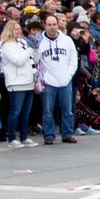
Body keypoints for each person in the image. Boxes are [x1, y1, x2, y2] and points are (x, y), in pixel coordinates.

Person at [37, 8, 79, 144]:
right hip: (48, 82)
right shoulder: (40, 42)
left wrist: (68, 75)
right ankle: (49, 134)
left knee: (68, 110)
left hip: (65, 81)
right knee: (47, 111)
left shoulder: (67, 40)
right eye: (49, 25)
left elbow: (74, 60)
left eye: (54, 24)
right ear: (45, 25)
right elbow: (36, 60)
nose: (52, 27)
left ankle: (67, 133)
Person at [0, 16, 37, 145]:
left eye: (19, 28)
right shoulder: (6, 46)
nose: (19, 31)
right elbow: (18, 61)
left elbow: (33, 60)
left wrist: (35, 48)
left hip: (28, 81)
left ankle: (24, 136)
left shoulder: (22, 43)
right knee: (15, 111)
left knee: (26, 112)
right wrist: (30, 49)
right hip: (16, 82)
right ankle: (12, 137)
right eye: (15, 29)